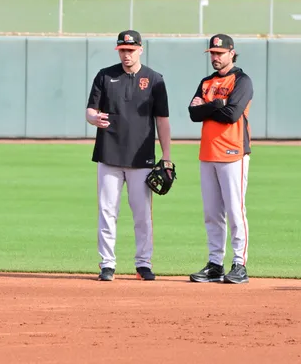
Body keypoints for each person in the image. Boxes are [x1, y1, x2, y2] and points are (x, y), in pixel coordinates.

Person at [86, 30, 172, 282]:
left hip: (141, 157)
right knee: (107, 211)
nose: (126, 54)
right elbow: (91, 109)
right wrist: (92, 118)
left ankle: (143, 263)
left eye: (131, 50)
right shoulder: (105, 75)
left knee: (142, 214)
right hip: (108, 153)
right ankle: (107, 264)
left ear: (140, 49)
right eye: (123, 50)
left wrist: (166, 155)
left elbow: (162, 120)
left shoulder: (154, 79)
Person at [188, 34, 253, 285]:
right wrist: (217, 103)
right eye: (212, 53)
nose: (215, 57)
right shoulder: (206, 81)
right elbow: (193, 114)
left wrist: (208, 105)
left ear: (231, 53)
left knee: (235, 211)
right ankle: (215, 264)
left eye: (220, 53)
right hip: (207, 153)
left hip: (233, 152)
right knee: (212, 213)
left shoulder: (242, 80)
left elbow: (232, 114)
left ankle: (239, 264)